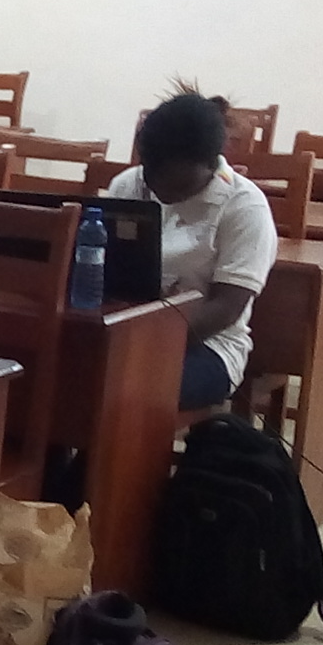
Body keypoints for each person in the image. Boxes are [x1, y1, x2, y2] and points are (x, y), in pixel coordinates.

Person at [107, 91, 278, 408]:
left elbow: (225, 308)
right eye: (150, 172)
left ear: (210, 165)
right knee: (57, 373)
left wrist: (147, 342)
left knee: (130, 388)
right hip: (124, 335)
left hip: (209, 347)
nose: (158, 187)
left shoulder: (244, 206)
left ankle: (100, 458)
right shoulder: (129, 185)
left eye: (174, 180)